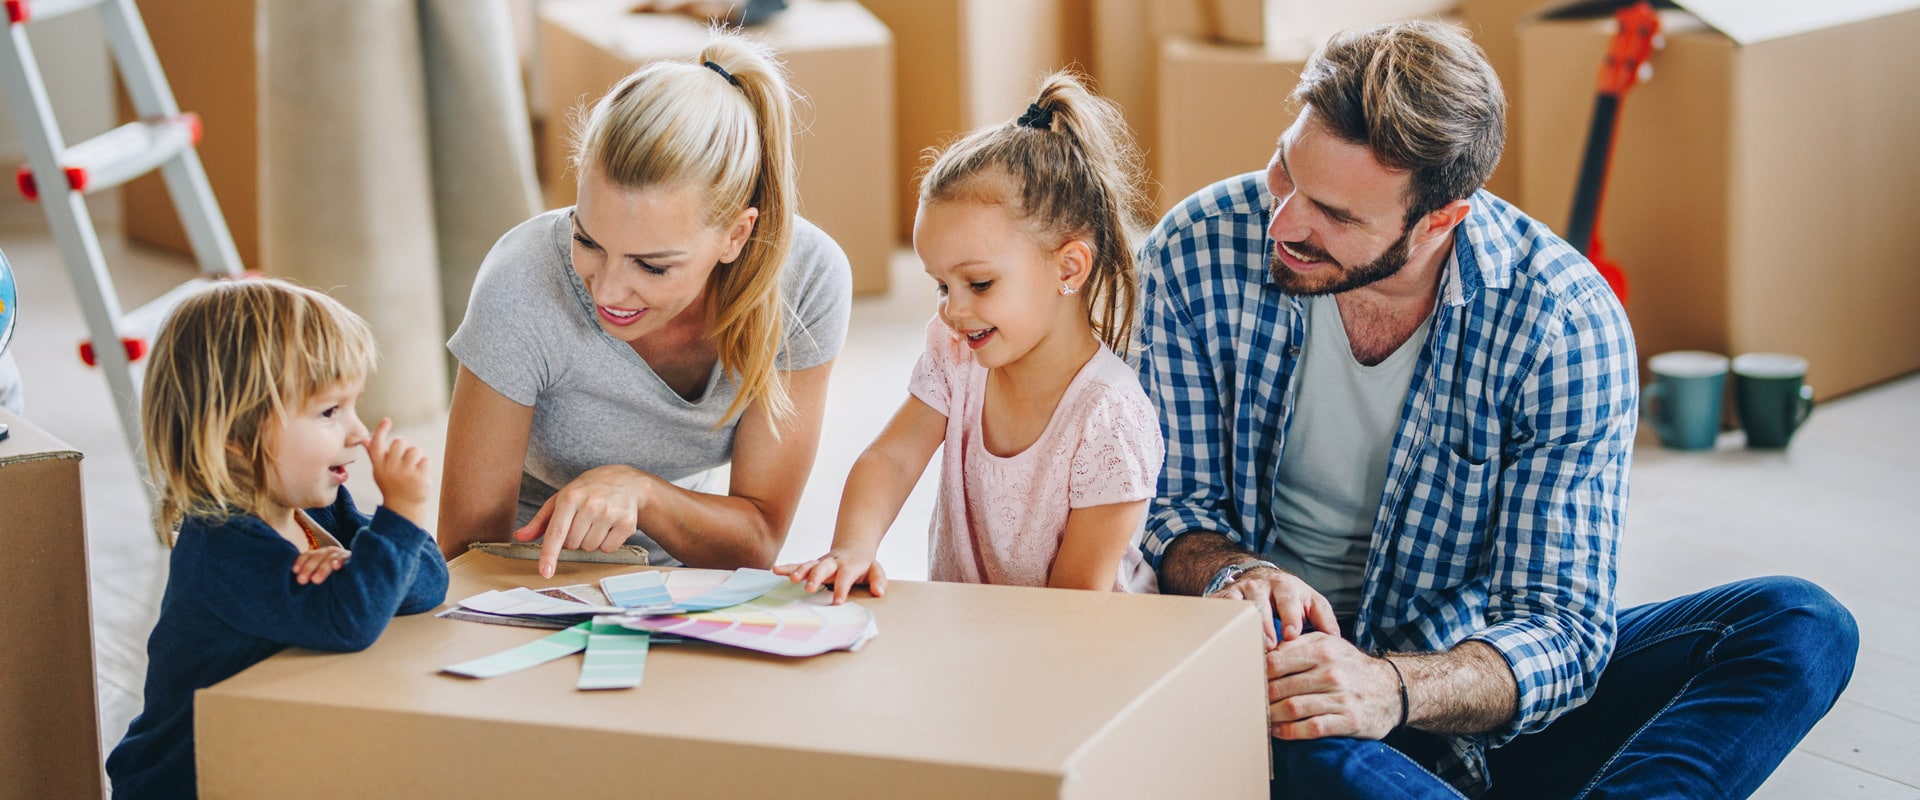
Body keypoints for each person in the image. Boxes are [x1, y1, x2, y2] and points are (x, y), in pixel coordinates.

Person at [1136, 20, 1857, 799]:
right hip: (1286, 689)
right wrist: (1234, 571)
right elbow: (1172, 507)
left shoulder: (1562, 323)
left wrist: (1390, 687)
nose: (1283, 224)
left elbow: (1564, 630)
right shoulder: (1196, 249)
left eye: (1337, 216)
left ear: (1443, 219)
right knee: (1303, 731)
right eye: (1285, 170)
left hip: (1460, 692)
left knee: (1802, 626)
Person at [439, 31, 852, 578]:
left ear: (735, 235)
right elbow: (466, 554)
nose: (606, 292)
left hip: (688, 572)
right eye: (587, 241)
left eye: (652, 266)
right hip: (528, 570)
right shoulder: (522, 278)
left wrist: (643, 493)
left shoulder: (806, 279)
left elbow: (757, 541)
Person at [776, 71, 1161, 601]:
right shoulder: (956, 351)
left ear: (1069, 268)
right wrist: (852, 547)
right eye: (940, 284)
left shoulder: (1109, 416)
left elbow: (1076, 607)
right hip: (980, 637)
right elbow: (891, 458)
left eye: (979, 283)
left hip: (1079, 649)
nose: (954, 310)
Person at [106, 279, 448, 798]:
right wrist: (401, 515)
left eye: (353, 405)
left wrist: (373, 552)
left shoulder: (319, 513)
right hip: (186, 782)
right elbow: (352, 620)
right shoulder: (222, 547)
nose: (359, 432)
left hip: (266, 757)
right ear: (237, 438)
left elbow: (428, 586)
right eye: (330, 412)